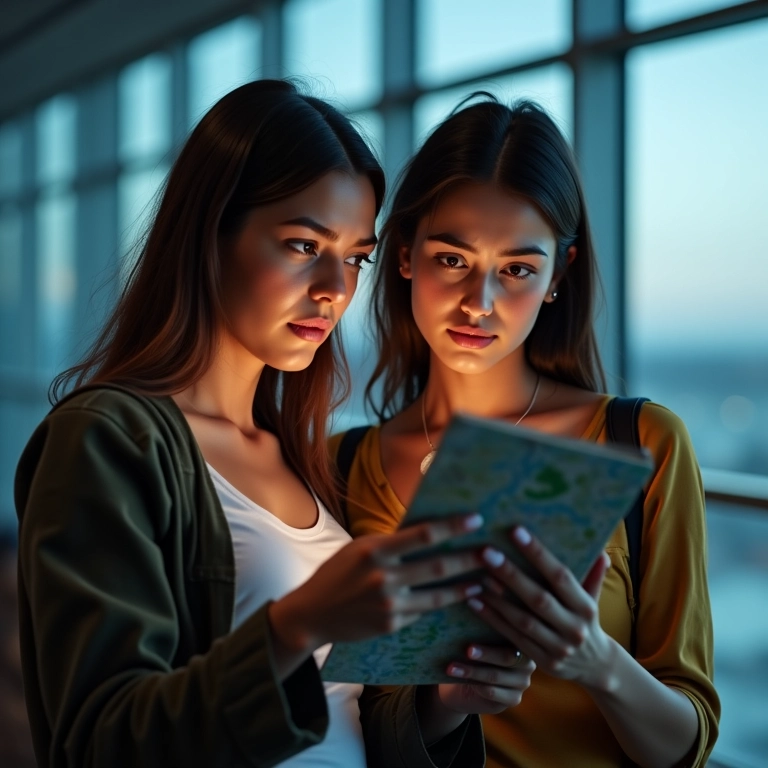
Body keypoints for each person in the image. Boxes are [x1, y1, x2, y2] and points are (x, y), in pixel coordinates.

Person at [14, 80, 525, 768]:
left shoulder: (305, 457)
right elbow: (100, 743)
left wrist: (443, 703)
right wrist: (300, 620)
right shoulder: (108, 440)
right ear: (211, 232)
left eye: (354, 258)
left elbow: (342, 714)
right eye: (300, 244)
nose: (334, 289)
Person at [330, 95, 720, 768]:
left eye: (516, 269)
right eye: (452, 259)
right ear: (403, 256)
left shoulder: (640, 443)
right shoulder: (341, 468)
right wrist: (447, 699)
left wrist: (597, 661)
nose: (478, 303)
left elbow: (686, 743)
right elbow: (343, 719)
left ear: (557, 276)